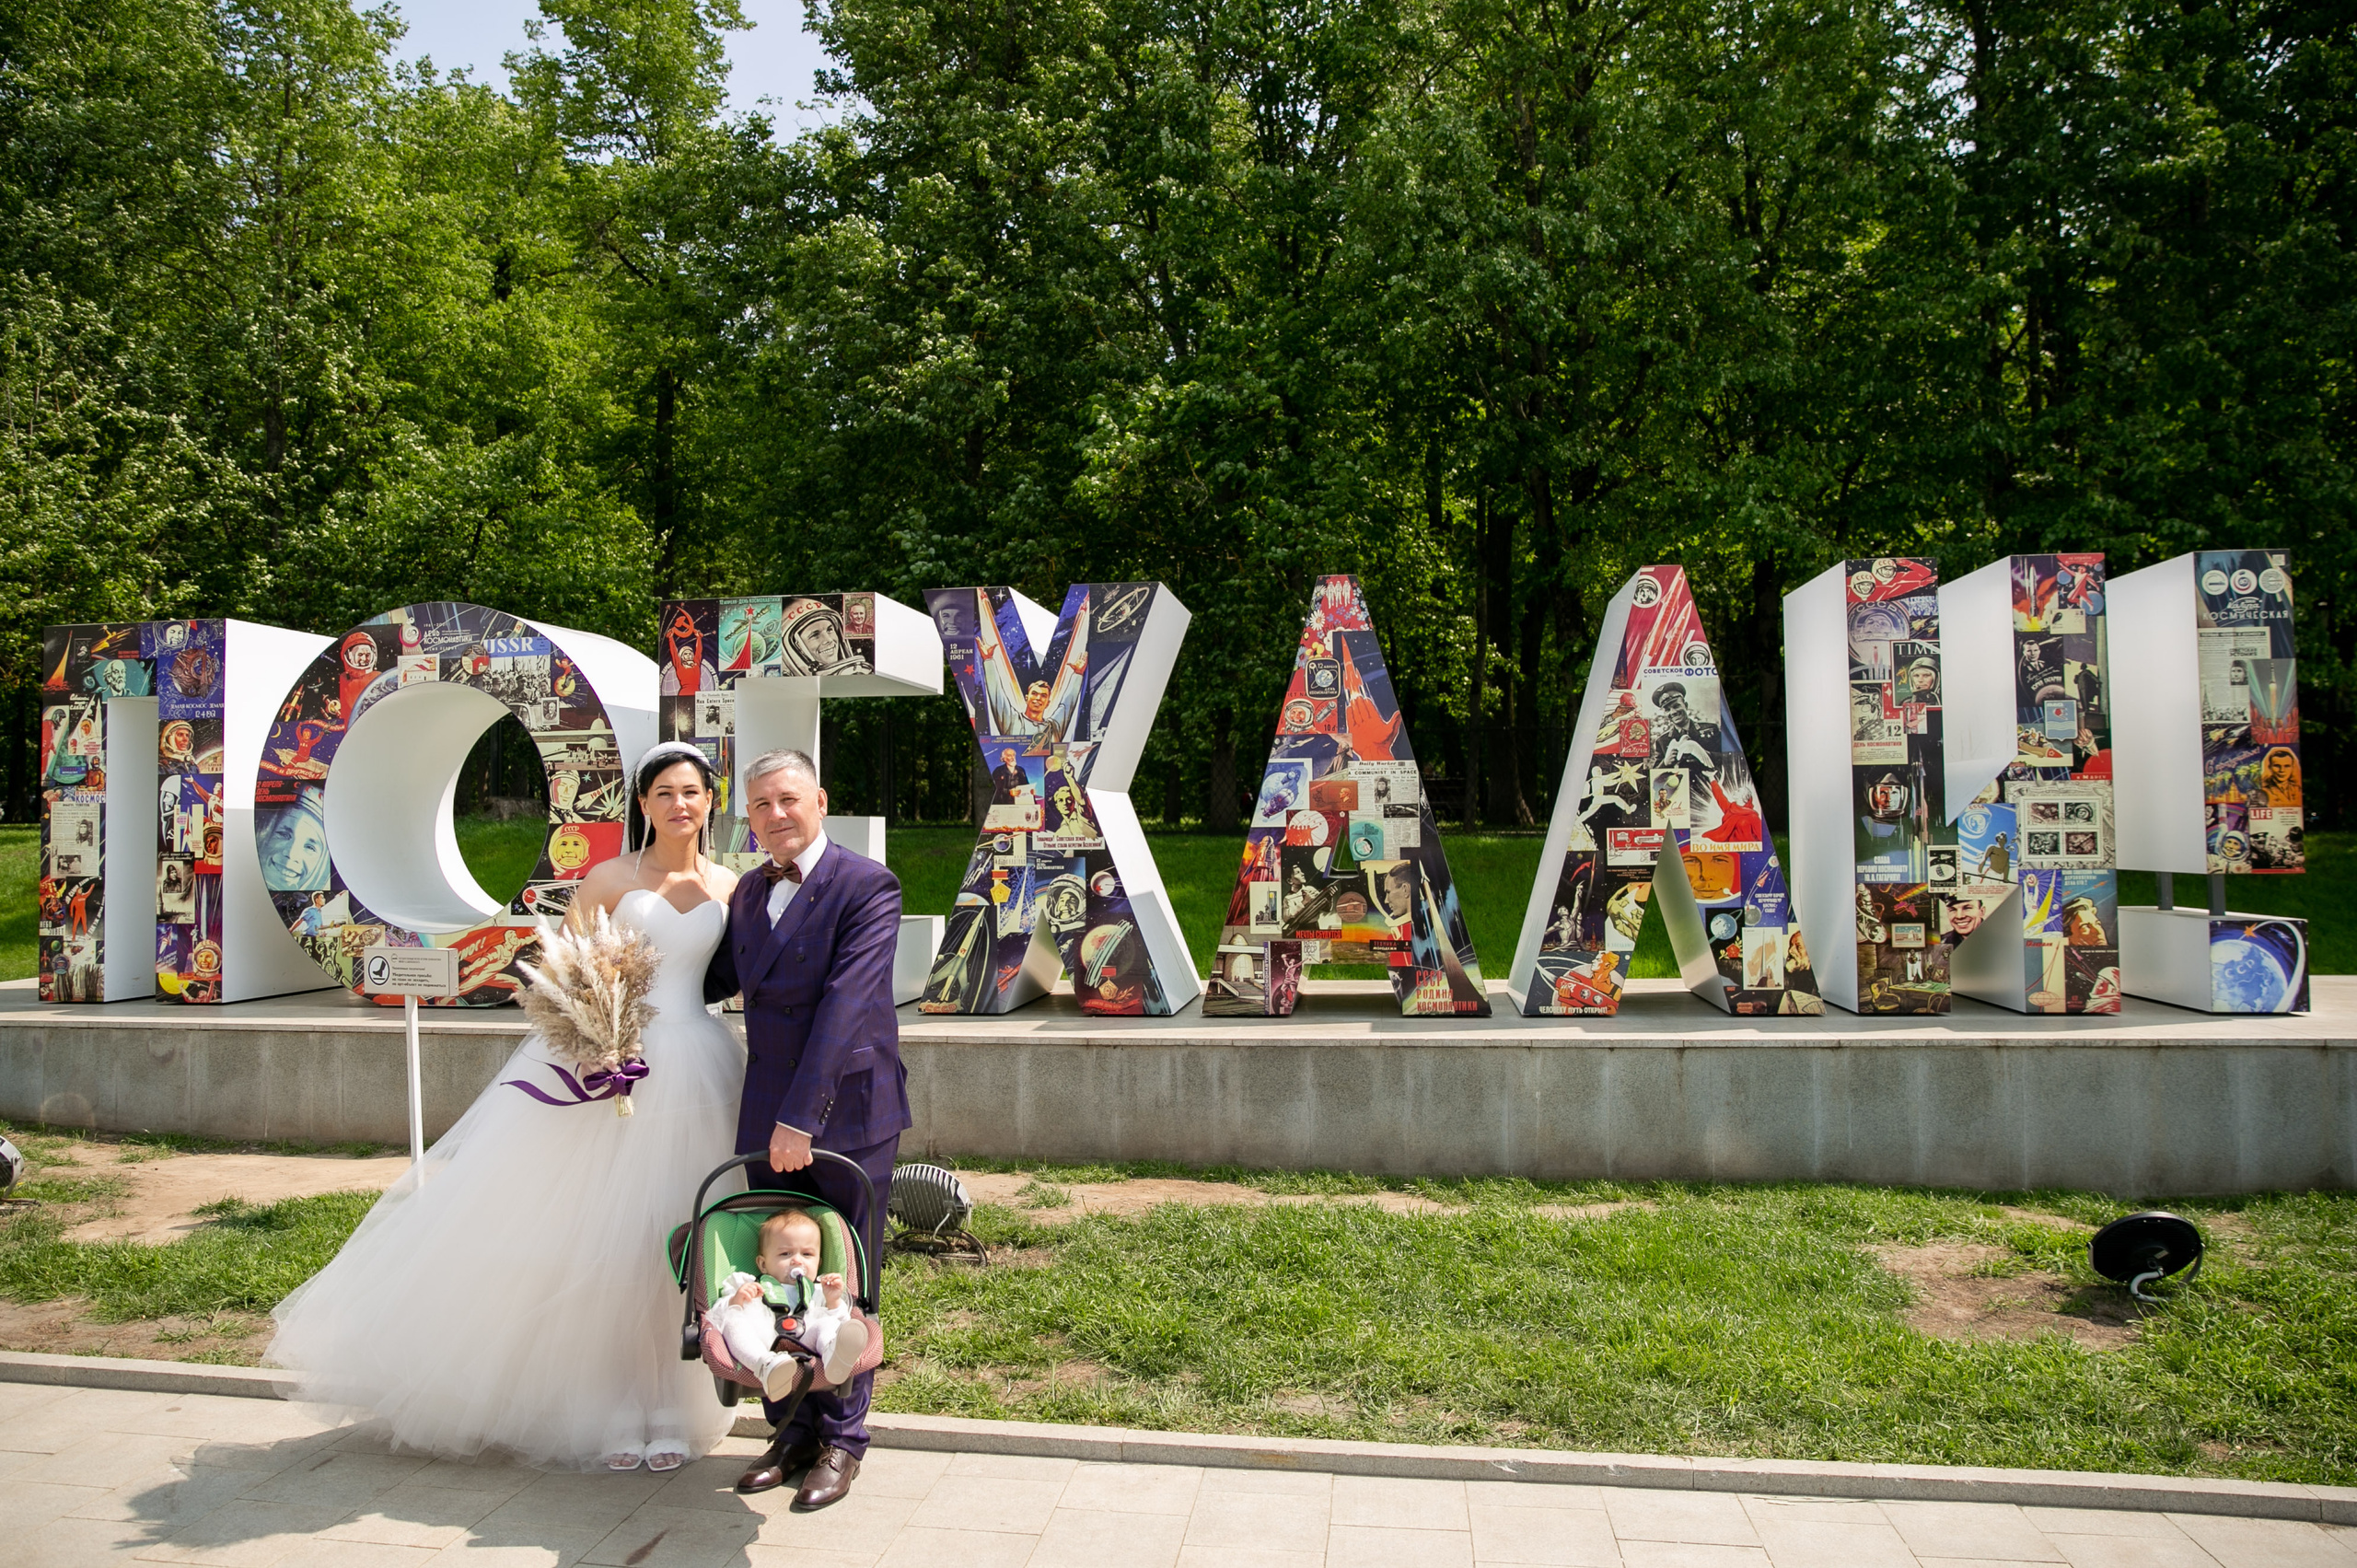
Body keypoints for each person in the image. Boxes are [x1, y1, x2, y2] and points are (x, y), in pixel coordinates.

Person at [268, 742, 744, 1473]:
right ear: (643, 804)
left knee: (675, 1242)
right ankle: (618, 1400)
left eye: (692, 791)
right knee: (604, 1247)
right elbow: (563, 973)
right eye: (664, 793)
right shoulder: (610, 877)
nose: (680, 804)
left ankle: (673, 1401)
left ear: (710, 799)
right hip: (610, 1070)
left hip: (700, 1072)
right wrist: (598, 1039)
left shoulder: (730, 884)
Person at [704, 749, 910, 1508]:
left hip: (846, 1115)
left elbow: (845, 1006)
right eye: (760, 805)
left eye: (788, 798)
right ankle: (788, 1428)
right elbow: (716, 975)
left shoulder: (867, 885)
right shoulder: (749, 894)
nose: (776, 814)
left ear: (819, 800)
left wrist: (802, 1117)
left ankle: (843, 1439)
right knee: (771, 1271)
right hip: (765, 1111)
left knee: (842, 1279)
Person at [708, 1209, 871, 1396]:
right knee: (733, 1323)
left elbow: (842, 1321)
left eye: (807, 1254)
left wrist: (833, 1301)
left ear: (819, 1263)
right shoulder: (746, 1283)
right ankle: (765, 1367)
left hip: (806, 1340)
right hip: (763, 1341)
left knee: (829, 1324)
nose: (797, 1261)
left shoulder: (819, 1291)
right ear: (763, 1264)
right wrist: (736, 1300)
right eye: (785, 1254)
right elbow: (717, 1316)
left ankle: (833, 1355)